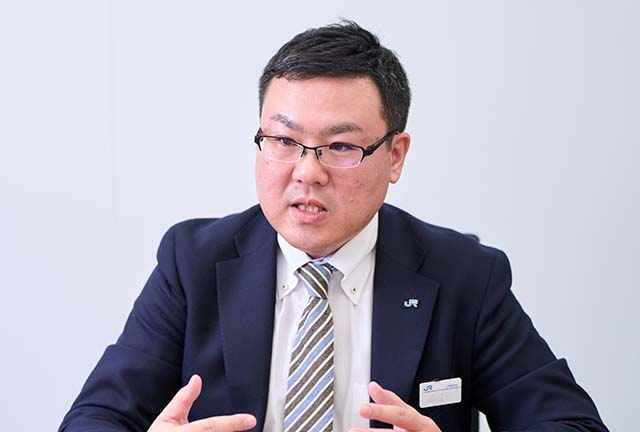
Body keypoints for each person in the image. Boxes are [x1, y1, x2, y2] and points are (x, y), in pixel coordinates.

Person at [60, 21, 608, 432]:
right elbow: (93, 419)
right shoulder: (193, 262)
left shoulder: (465, 276)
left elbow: (572, 424)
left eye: (341, 146)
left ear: (395, 156)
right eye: (283, 140)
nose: (307, 172)